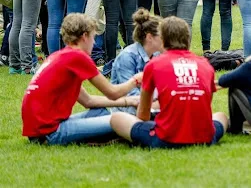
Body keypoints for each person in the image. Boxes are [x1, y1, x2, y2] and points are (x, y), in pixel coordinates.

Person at [22, 14, 141, 146]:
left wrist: (131, 101)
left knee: (99, 112)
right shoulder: (78, 56)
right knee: (120, 120)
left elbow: (88, 101)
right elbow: (112, 92)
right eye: (93, 37)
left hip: (36, 132)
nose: (94, 43)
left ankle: (103, 138)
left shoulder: (59, 56)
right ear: (85, 36)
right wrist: (135, 80)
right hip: (50, 132)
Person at [110, 16, 228, 148]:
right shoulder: (205, 65)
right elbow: (205, 105)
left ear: (163, 39)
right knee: (221, 116)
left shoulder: (154, 64)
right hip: (205, 137)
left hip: (166, 138)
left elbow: (143, 115)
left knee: (117, 118)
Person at [110, 9, 163, 114]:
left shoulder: (158, 55)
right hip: (127, 112)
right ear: (149, 37)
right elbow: (132, 98)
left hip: (149, 105)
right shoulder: (127, 57)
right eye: (162, 36)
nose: (166, 39)